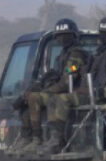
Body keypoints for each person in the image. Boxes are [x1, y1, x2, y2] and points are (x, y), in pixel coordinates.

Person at [38, 16, 106, 156]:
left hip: (102, 97)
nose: (102, 37)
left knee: (62, 99)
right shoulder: (98, 55)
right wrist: (72, 72)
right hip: (90, 93)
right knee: (54, 98)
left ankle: (57, 142)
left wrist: (94, 92)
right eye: (101, 33)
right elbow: (75, 69)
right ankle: (53, 139)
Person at [10, 18, 89, 154]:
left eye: (67, 36)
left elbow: (66, 81)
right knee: (28, 99)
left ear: (74, 36)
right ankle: (30, 138)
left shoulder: (76, 55)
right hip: (61, 91)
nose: (63, 39)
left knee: (36, 98)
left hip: (72, 92)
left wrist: (47, 91)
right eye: (60, 36)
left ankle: (43, 140)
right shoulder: (62, 56)